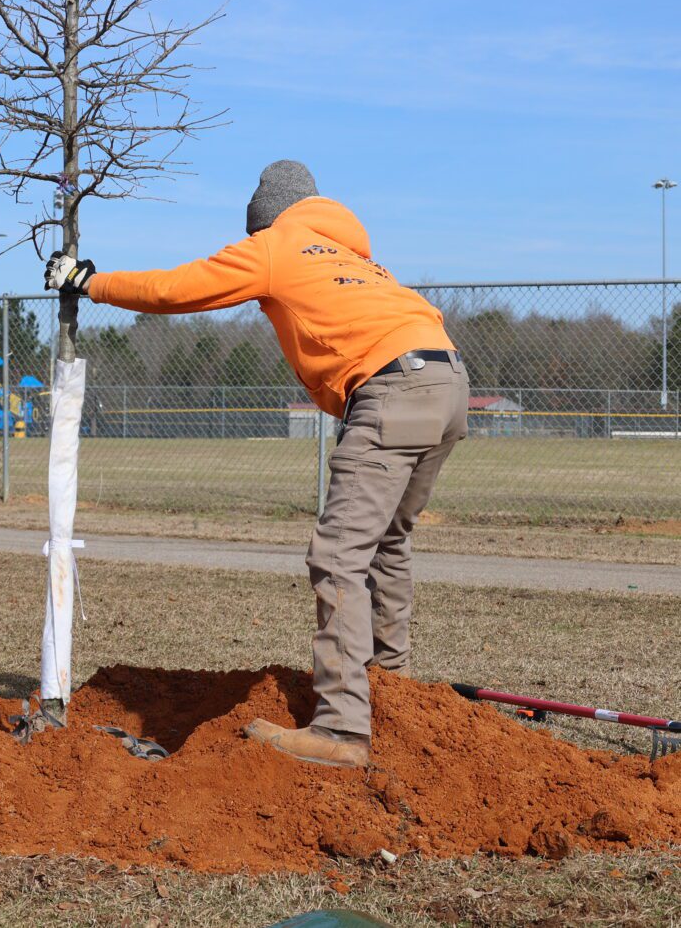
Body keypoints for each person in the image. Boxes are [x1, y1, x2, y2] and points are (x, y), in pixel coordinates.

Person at [43, 160, 469, 768]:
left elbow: (178, 288)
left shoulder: (278, 245)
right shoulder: (358, 257)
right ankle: (392, 684)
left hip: (391, 389)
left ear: (263, 220)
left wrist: (92, 281)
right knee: (388, 542)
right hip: (447, 379)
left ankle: (343, 728)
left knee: (338, 555)